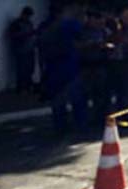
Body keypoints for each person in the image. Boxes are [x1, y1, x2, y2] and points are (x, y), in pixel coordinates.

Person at [41, 3, 86, 134]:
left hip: (53, 70)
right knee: (77, 100)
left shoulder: (45, 27)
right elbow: (81, 35)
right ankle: (80, 126)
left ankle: (60, 127)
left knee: (58, 102)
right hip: (70, 68)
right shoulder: (68, 24)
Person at [78, 10, 111, 125]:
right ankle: (85, 120)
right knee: (85, 94)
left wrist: (105, 46)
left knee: (101, 94)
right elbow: (77, 46)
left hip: (101, 65)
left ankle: (100, 118)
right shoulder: (82, 31)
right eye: (92, 19)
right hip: (86, 66)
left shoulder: (104, 31)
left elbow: (112, 43)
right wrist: (90, 44)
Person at [9, 6, 37, 94]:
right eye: (27, 15)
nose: (28, 17)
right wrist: (25, 35)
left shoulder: (29, 23)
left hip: (30, 49)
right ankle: (20, 87)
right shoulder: (16, 23)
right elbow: (12, 36)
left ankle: (28, 86)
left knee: (30, 68)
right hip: (21, 50)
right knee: (21, 69)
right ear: (23, 14)